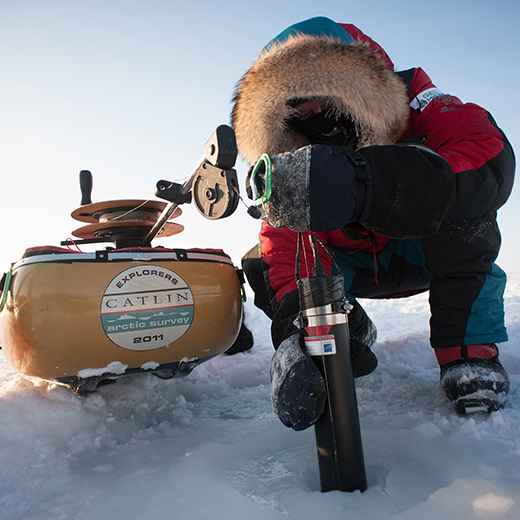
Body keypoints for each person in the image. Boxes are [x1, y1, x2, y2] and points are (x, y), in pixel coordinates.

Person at [231, 17, 515, 429]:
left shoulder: (423, 106)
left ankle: (467, 352)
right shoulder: (291, 160)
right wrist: (296, 333)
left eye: (324, 102)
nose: (317, 119)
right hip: (351, 267)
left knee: (466, 218)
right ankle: (349, 326)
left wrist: (362, 182)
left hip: (424, 253)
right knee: (261, 259)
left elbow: (487, 159)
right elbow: (284, 246)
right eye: (299, 112)